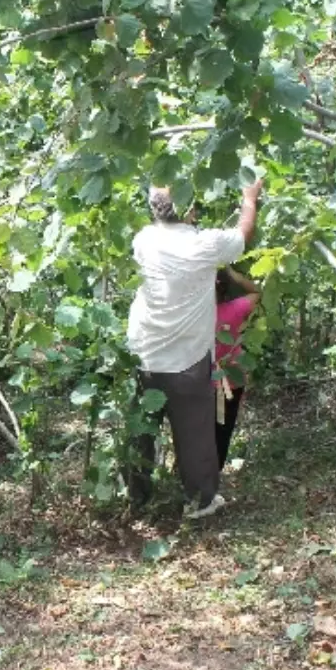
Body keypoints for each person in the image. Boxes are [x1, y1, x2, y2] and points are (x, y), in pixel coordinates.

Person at [124, 179, 262, 519]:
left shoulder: (142, 240)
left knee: (141, 430)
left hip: (145, 353)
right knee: (194, 434)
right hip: (188, 360)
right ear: (190, 208)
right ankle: (200, 501)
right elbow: (243, 234)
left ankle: (134, 494)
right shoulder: (205, 244)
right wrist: (249, 198)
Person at [214, 266, 261, 470]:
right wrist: (232, 272)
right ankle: (209, 486)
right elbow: (257, 292)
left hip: (201, 385)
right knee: (221, 436)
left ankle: (192, 486)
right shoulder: (235, 309)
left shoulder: (190, 315)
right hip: (230, 383)